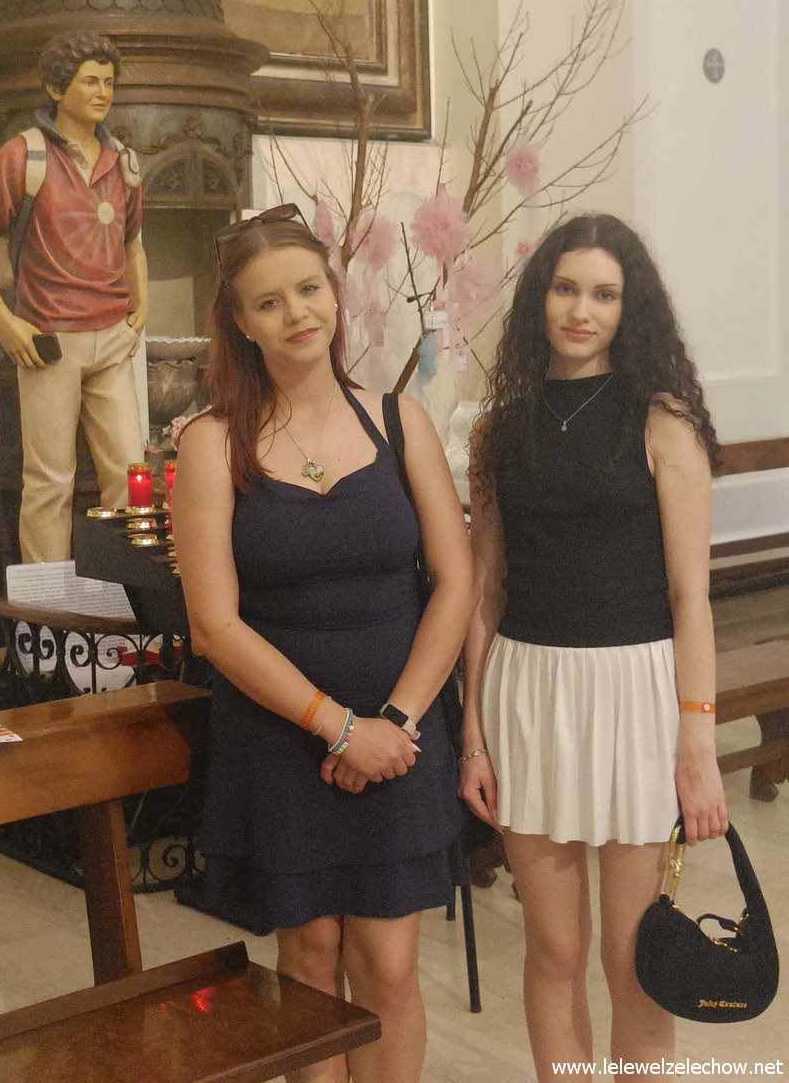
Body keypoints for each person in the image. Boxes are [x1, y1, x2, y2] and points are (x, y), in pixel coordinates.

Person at [171, 208, 474, 1083]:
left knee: (389, 966)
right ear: (239, 321)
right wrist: (338, 728)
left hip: (399, 728)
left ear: (335, 295)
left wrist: (395, 723)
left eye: (308, 289)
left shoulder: (399, 421)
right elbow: (214, 626)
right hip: (280, 733)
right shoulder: (210, 443)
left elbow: (456, 581)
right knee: (307, 961)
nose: (296, 313)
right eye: (268, 302)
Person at [458, 213, 728, 1080]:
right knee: (553, 949)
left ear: (628, 307)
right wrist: (473, 732)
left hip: (637, 692)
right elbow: (485, 591)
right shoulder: (499, 430)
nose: (582, 310)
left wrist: (697, 741)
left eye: (604, 295)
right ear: (540, 299)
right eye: (567, 289)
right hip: (527, 693)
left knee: (633, 959)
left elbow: (691, 596)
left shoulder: (664, 422)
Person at [0, 32, 148, 564]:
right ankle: (47, 608)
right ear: (56, 89)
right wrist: (5, 321)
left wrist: (142, 305)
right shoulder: (23, 156)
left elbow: (133, 242)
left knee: (129, 473)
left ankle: (125, 592)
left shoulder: (121, 160)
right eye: (90, 81)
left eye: (109, 82)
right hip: (50, 341)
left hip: (112, 339)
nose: (103, 92)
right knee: (49, 481)